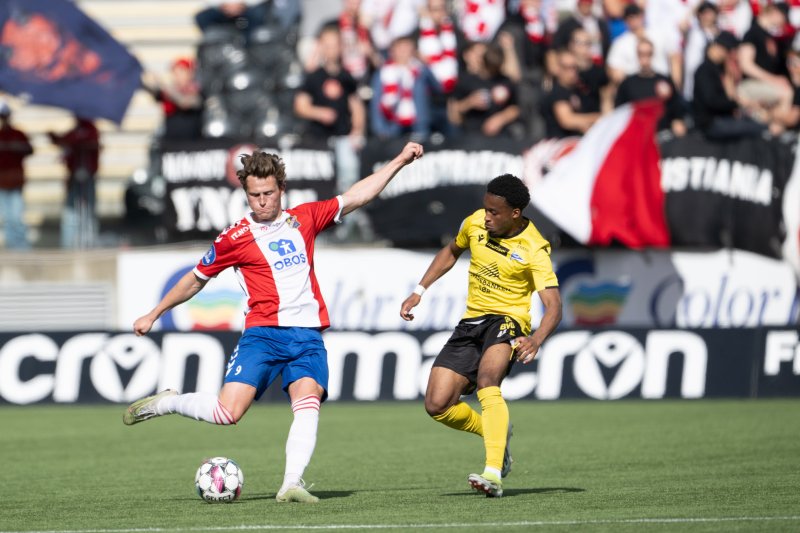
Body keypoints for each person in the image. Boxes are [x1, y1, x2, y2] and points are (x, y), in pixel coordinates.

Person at [122, 142, 424, 503]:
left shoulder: (305, 218)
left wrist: (400, 162)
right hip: (263, 335)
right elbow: (195, 279)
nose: (262, 201)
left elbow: (357, 196)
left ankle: (291, 484)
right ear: (245, 194)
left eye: (268, 193)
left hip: (307, 335)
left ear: (282, 189)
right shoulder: (234, 238)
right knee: (226, 413)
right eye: (254, 195)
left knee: (308, 401)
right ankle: (168, 403)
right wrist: (155, 313)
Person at [399, 174, 562, 498]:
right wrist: (419, 290)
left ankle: (493, 473)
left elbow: (553, 304)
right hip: (471, 322)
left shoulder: (534, 248)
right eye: (485, 209)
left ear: (515, 213)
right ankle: (497, 433)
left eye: (494, 212)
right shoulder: (474, 223)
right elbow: (451, 251)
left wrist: (537, 338)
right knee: (437, 404)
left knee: (489, 381)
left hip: (508, 321)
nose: (486, 216)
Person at [615, 39, 687, 137]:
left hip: (662, 134)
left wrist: (677, 120)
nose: (645, 58)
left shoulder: (664, 81)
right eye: (641, 54)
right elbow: (620, 111)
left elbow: (675, 106)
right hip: (637, 135)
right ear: (637, 55)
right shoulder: (627, 84)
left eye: (648, 54)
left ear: (653, 55)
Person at [48, 117, 100, 249]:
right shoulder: (75, 131)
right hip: (73, 175)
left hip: (87, 175)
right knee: (71, 211)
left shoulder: (90, 130)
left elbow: (89, 144)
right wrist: (54, 137)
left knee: (87, 210)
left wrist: (74, 144)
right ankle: (68, 245)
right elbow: (64, 141)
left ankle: (89, 243)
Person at [141, 57, 203, 140]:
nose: (177, 76)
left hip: (191, 142)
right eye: (175, 72)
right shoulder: (169, 91)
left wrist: (163, 85)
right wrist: (144, 82)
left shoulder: (197, 91)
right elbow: (156, 93)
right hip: (171, 142)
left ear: (190, 73)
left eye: (181, 72)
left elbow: (184, 102)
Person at [0, 100, 33, 250]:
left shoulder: (18, 134)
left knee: (16, 216)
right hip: (2, 181)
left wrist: (16, 148)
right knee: (7, 217)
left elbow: (29, 150)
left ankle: (20, 248)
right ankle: (11, 246)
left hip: (15, 180)